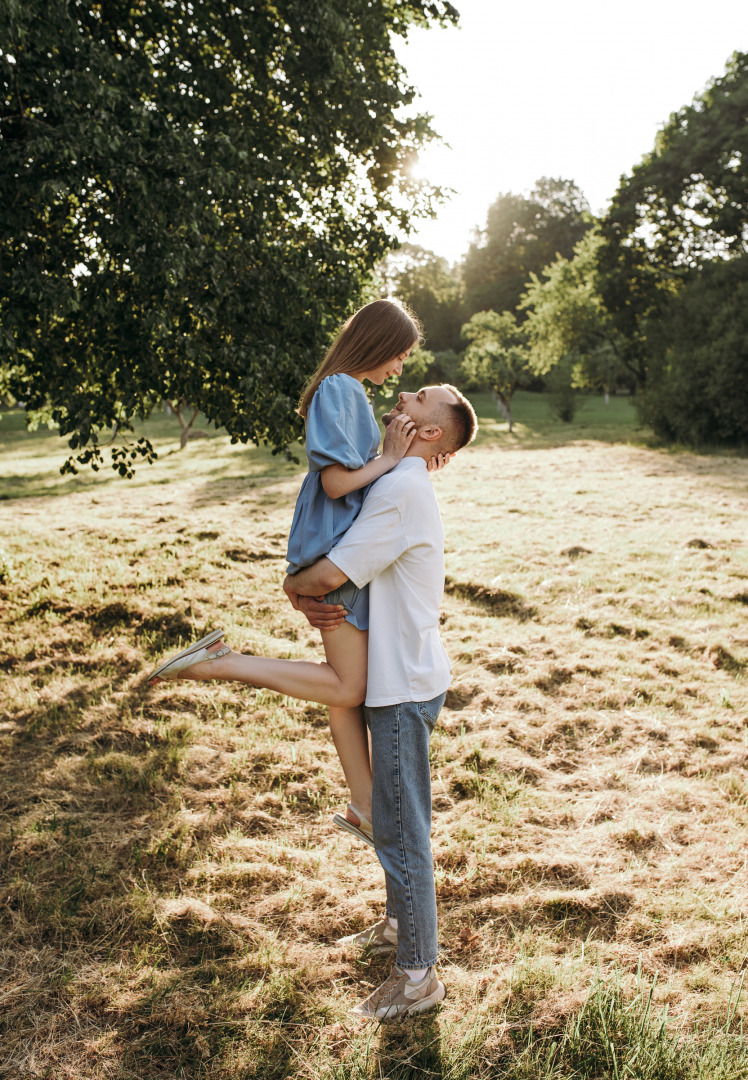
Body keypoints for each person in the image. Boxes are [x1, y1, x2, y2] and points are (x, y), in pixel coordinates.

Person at [148, 381, 478, 1019]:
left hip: (404, 686)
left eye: (418, 398)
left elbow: (330, 576)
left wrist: (292, 584)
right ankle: (396, 925)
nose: (404, 393)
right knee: (386, 813)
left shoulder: (404, 491)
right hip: (391, 676)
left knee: (404, 831)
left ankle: (419, 978)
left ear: (430, 433)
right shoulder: (398, 480)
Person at [149, 299, 449, 849]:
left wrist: (416, 455)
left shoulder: (349, 394)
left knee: (345, 693)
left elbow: (370, 466)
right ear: (378, 343)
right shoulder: (341, 389)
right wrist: (391, 459)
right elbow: (338, 482)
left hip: (337, 553)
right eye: (401, 356)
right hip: (337, 556)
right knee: (348, 685)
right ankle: (223, 663)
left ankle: (363, 804)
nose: (401, 371)